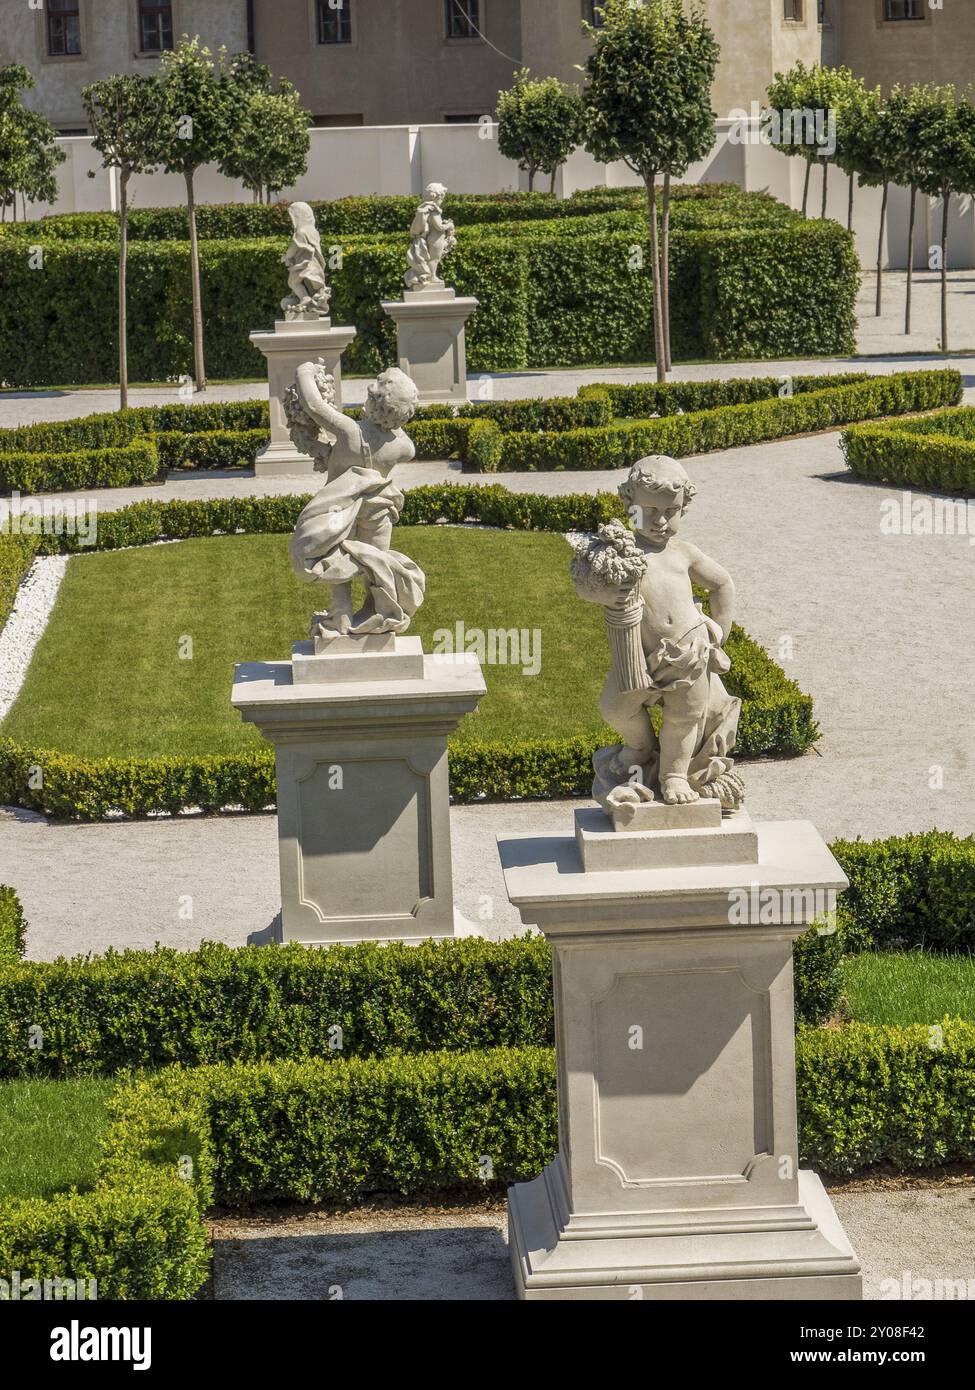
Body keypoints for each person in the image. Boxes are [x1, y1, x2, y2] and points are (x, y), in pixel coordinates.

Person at [573, 455, 744, 809]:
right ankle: (640, 746)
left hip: (688, 655)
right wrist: (604, 592)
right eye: (649, 510)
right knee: (615, 709)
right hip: (638, 656)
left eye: (671, 511)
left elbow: (722, 583)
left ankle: (674, 775)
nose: (660, 520)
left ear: (684, 508)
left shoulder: (683, 553)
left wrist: (718, 634)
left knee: (685, 717)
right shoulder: (620, 553)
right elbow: (584, 585)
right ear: (628, 503)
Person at [284, 360, 425, 640]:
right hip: (379, 513)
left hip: (343, 510)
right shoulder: (403, 446)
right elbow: (401, 442)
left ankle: (341, 616)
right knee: (377, 564)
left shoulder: (350, 431)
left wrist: (305, 371)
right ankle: (382, 614)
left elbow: (314, 406)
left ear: (374, 401)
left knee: (338, 559)